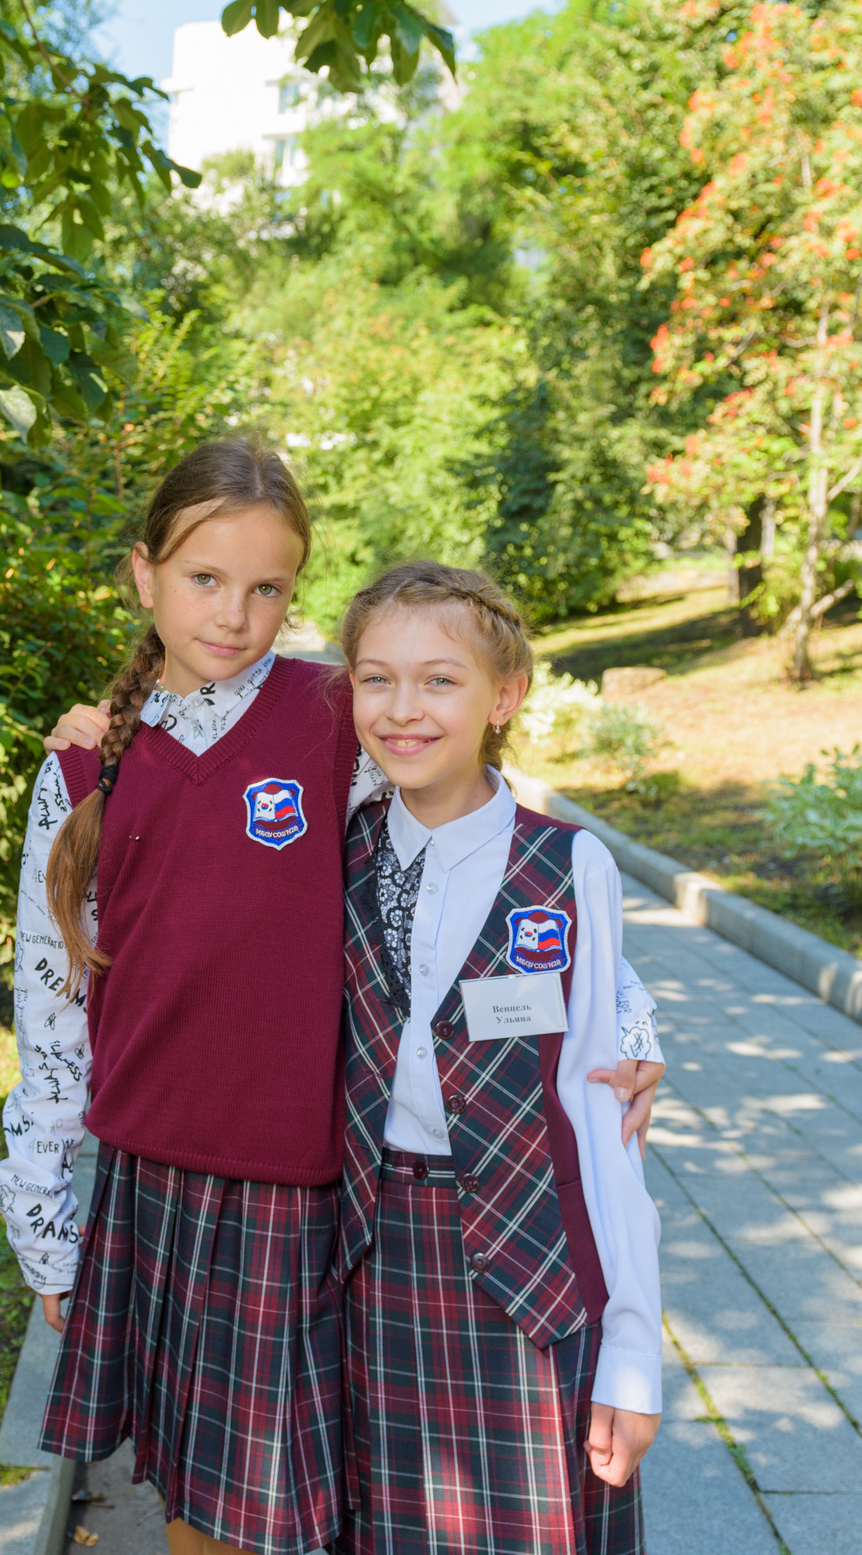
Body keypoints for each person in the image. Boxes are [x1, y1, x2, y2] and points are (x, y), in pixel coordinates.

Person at [0, 437, 367, 1555]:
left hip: (321, 1179)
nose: (236, 614)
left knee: (331, 1493)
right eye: (206, 578)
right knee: (206, 1508)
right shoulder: (84, 766)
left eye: (269, 588)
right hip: (160, 1188)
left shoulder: (338, 715)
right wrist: (46, 1218)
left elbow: (485, 849)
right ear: (143, 573)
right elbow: (50, 1003)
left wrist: (619, 1008)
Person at [334, 561, 661, 1554]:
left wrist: (632, 1357)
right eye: (374, 678)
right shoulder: (335, 845)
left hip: (531, 1274)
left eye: (440, 679)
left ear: (503, 696)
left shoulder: (568, 864)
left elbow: (602, 1109)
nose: (402, 709)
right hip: (365, 1265)